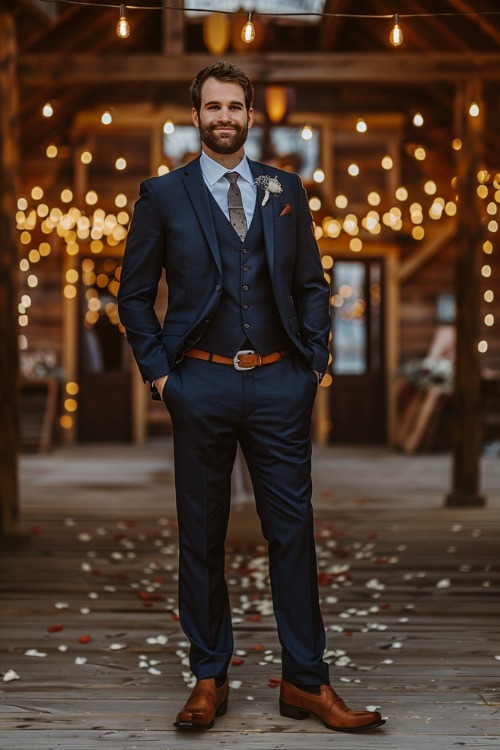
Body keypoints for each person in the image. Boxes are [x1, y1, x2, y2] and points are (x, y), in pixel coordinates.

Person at [118, 60, 385, 734]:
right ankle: (209, 676)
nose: (225, 117)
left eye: (235, 106)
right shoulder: (163, 195)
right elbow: (133, 295)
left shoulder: (285, 189)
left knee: (292, 533)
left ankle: (305, 681)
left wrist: (313, 366)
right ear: (196, 115)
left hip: (277, 383)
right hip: (198, 383)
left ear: (249, 115)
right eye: (213, 107)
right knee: (201, 538)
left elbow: (311, 286)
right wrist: (162, 377)